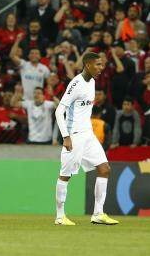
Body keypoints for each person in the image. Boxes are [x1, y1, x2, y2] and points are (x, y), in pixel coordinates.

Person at [54, 52, 119, 226]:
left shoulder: (92, 82)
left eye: (102, 64)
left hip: (88, 134)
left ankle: (98, 214)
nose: (101, 68)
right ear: (88, 65)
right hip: (74, 136)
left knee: (105, 169)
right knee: (65, 175)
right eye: (98, 64)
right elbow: (59, 111)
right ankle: (60, 216)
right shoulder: (76, 84)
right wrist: (66, 137)